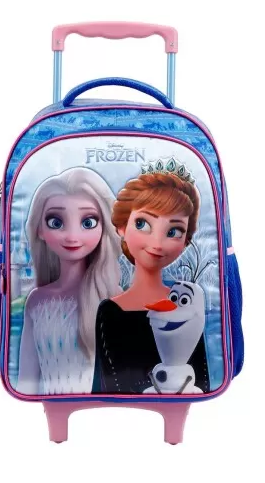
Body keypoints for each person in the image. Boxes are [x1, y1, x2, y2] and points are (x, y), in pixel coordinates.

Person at [92, 158, 210, 394]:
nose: (157, 243)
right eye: (142, 224)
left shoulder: (187, 305)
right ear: (121, 228)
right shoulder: (110, 312)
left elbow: (200, 380)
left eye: (174, 231)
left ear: (186, 241)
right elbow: (104, 383)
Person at [16, 167, 121, 395]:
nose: (72, 236)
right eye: (56, 222)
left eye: (88, 222)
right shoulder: (37, 301)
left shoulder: (115, 299)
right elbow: (27, 381)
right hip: (49, 403)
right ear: (39, 230)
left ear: (105, 226)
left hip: (109, 405)